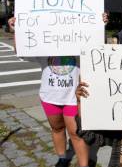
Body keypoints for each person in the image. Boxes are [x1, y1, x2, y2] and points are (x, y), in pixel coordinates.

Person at [8, 14, 108, 167]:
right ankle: (62, 158)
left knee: (76, 133)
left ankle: (84, 164)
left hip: (73, 98)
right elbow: (21, 51)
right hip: (50, 97)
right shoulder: (43, 46)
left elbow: (98, 48)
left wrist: (100, 25)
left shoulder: (78, 43)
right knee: (57, 128)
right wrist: (16, 30)